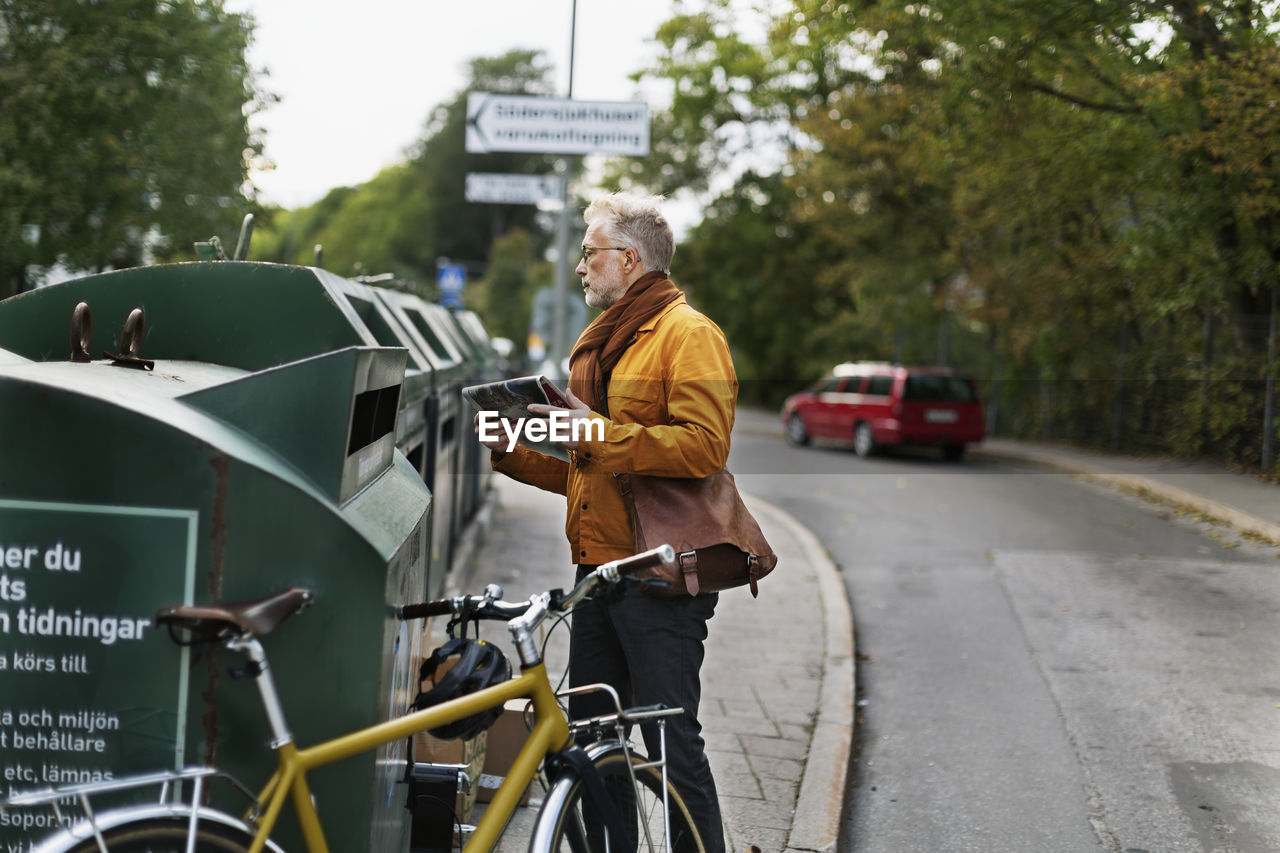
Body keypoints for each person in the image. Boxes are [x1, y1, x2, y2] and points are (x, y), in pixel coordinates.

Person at [478, 192, 735, 852]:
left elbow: (703, 447)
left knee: (671, 742)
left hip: (659, 577)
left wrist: (592, 430)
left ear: (630, 258)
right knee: (595, 742)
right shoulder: (597, 347)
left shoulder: (689, 335)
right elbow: (588, 467)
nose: (580, 267)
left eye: (589, 252)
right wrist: (509, 452)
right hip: (597, 577)